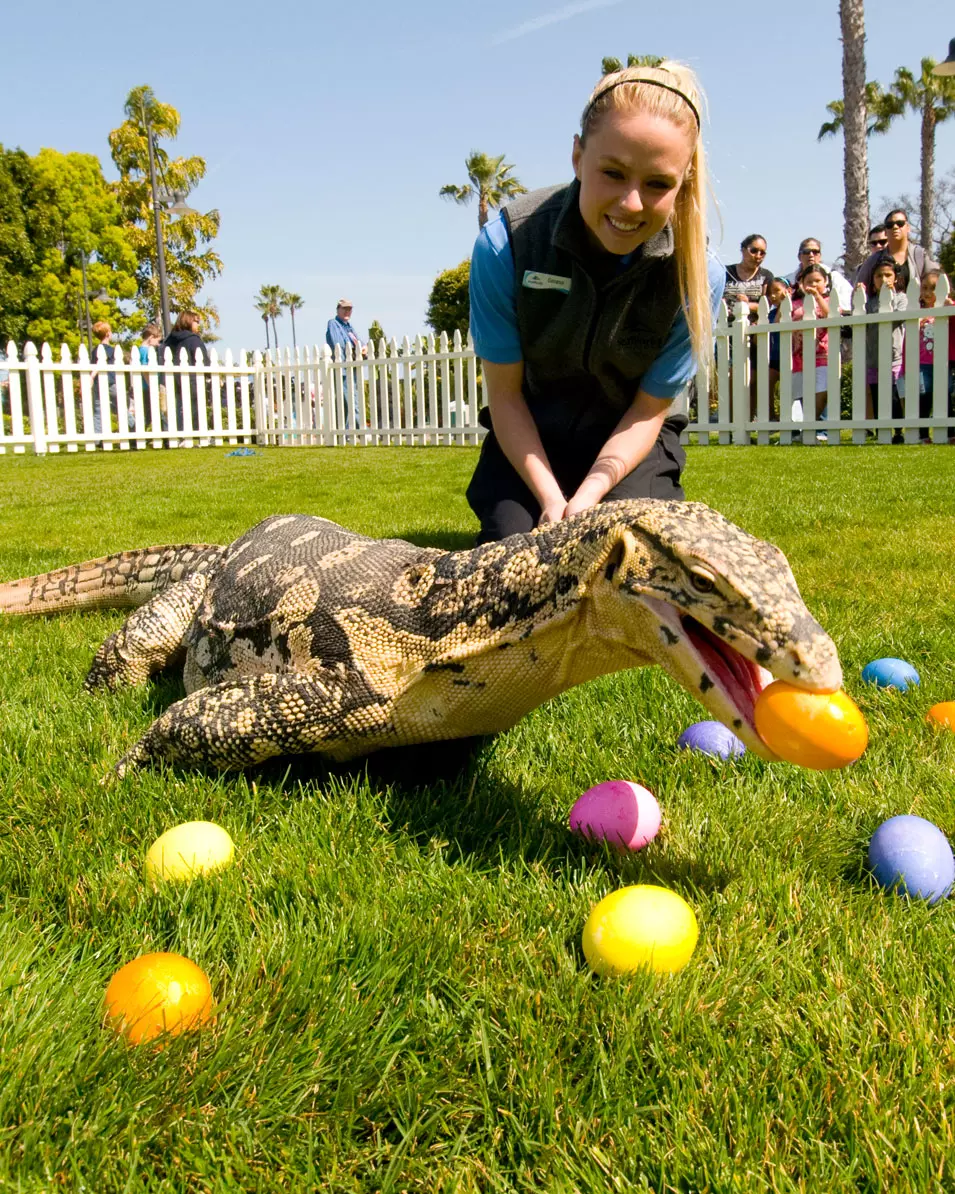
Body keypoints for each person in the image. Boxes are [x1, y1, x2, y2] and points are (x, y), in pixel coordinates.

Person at [466, 61, 723, 543]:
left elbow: (649, 409)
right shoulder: (506, 245)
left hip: (633, 442)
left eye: (657, 184)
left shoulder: (698, 275)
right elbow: (504, 395)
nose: (631, 204)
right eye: (612, 172)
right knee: (515, 551)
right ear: (577, 157)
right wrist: (550, 498)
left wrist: (589, 495)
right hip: (533, 434)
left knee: (630, 551)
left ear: (683, 182)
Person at [899, 269, 955, 444]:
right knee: (923, 399)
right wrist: (906, 367)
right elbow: (909, 342)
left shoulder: (949, 307)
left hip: (944, 363)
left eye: (934, 288)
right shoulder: (918, 313)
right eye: (925, 288)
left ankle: (950, 433)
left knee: (944, 398)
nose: (928, 293)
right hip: (922, 364)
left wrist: (950, 307)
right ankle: (923, 435)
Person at [722, 234, 773, 420]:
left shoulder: (766, 276)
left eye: (762, 252)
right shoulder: (725, 272)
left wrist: (748, 305)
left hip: (753, 334)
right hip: (725, 332)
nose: (757, 255)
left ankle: (749, 419)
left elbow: (769, 304)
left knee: (751, 379)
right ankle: (730, 420)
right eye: (754, 250)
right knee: (728, 378)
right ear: (743, 250)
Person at [863, 254, 908, 437]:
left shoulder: (901, 298)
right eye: (879, 276)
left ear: (895, 278)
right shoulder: (869, 303)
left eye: (888, 275)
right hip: (873, 358)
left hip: (894, 356)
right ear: (873, 281)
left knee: (894, 395)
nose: (884, 279)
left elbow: (900, 316)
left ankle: (897, 430)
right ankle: (882, 428)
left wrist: (888, 299)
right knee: (877, 394)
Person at [790, 265, 832, 442]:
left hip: (822, 354)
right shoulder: (796, 303)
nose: (813, 284)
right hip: (799, 356)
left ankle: (816, 427)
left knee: (821, 390)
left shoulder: (829, 300)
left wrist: (817, 297)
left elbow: (831, 315)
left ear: (826, 282)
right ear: (801, 283)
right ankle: (806, 428)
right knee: (803, 393)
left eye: (817, 281)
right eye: (809, 282)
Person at [856, 209, 939, 296]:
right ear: (886, 231)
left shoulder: (919, 255)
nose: (895, 227)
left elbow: (937, 280)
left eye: (900, 223)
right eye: (890, 225)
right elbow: (859, 291)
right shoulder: (874, 260)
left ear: (908, 227)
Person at [161, 311, 210, 442]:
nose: (198, 325)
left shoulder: (169, 340)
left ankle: (176, 436)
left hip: (174, 381)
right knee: (195, 410)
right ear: (188, 321)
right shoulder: (193, 340)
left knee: (177, 409)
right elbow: (204, 361)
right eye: (196, 321)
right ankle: (200, 436)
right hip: (193, 380)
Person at [783, 238, 853, 314]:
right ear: (799, 256)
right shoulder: (789, 281)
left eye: (815, 252)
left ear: (820, 256)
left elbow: (846, 304)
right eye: (806, 252)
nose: (811, 255)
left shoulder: (834, 277)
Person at [325, 299, 365, 428]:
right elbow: (339, 344)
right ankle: (361, 429)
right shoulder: (334, 324)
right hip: (342, 368)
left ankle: (345, 431)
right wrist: (356, 348)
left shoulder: (349, 327)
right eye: (344, 309)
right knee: (351, 400)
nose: (347, 311)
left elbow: (359, 343)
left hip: (351, 368)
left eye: (350, 309)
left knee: (347, 402)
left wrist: (363, 348)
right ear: (338, 310)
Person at [88, 320, 118, 439]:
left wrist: (92, 377)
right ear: (108, 334)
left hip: (98, 384)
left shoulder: (95, 350)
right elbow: (100, 364)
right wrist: (92, 375)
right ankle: (133, 428)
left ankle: (97, 438)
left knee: (98, 410)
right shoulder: (109, 349)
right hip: (110, 382)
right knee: (122, 406)